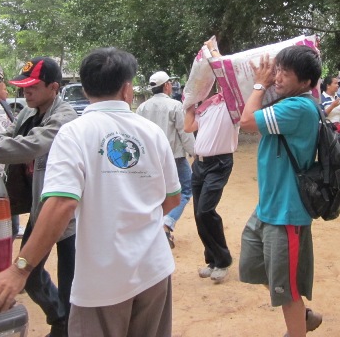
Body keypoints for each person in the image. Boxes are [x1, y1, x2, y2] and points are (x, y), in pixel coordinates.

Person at [0, 47, 181, 337]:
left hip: (103, 278)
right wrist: (137, 220)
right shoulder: (152, 132)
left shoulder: (74, 132)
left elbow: (61, 204)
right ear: (127, 89)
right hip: (154, 269)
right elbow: (172, 198)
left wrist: (20, 269)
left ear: (85, 89)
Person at [0, 57, 78, 337]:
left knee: (71, 283)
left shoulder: (65, 117)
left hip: (67, 213)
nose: (27, 92)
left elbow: (30, 146)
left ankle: (68, 329)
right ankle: (60, 320)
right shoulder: (27, 112)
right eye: (24, 87)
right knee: (31, 275)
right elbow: (8, 136)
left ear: (54, 87)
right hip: (41, 209)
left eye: (33, 87)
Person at [239, 45, 323, 337]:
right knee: (254, 265)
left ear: (306, 82)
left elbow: (247, 122)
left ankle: (296, 327)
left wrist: (259, 85)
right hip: (269, 206)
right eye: (278, 71)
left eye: (286, 73)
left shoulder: (298, 107)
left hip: (287, 212)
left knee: (286, 289)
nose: (277, 77)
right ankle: (303, 316)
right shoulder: (288, 102)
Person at [183, 42, 239, 283]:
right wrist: (190, 103)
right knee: (199, 214)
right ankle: (212, 259)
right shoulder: (207, 106)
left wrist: (213, 52)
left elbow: (228, 73)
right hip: (200, 164)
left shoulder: (232, 103)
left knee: (206, 210)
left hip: (219, 164)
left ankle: (223, 261)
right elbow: (188, 126)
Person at [136, 70, 195, 248]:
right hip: (174, 158)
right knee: (185, 190)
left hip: (150, 160)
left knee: (156, 193)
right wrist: (195, 152)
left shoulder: (142, 108)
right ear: (167, 85)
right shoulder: (175, 105)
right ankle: (167, 223)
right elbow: (184, 132)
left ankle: (152, 228)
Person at [320, 75, 340, 155]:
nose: (337, 85)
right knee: (332, 155)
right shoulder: (321, 99)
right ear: (328, 86)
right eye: (335, 83)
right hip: (329, 130)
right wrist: (332, 106)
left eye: (338, 83)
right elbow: (321, 115)